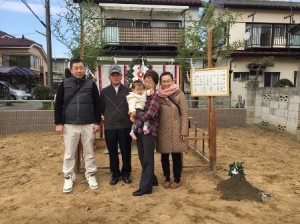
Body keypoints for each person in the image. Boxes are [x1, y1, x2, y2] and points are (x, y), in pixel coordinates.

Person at [54, 58, 101, 193]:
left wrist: (97, 122)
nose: (79, 70)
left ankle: (90, 174)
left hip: (88, 123)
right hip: (69, 124)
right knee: (69, 152)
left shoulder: (91, 84)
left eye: (81, 68)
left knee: (89, 152)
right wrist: (58, 123)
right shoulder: (64, 84)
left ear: (84, 68)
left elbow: (96, 104)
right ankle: (68, 176)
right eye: (76, 68)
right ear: (71, 70)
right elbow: (58, 104)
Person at [100, 64, 132, 185]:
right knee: (112, 152)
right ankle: (115, 174)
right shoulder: (104, 92)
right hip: (110, 127)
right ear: (109, 77)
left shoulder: (128, 91)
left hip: (125, 126)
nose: (115, 77)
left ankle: (126, 173)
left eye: (117, 74)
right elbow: (102, 108)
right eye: (113, 75)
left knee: (126, 151)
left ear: (121, 76)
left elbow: (132, 107)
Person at [157, 71, 189, 189]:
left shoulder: (179, 94)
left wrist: (184, 131)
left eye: (168, 81)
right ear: (160, 83)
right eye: (163, 81)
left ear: (172, 81)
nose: (166, 83)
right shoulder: (158, 95)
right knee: (164, 155)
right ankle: (166, 177)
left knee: (176, 155)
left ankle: (177, 178)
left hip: (177, 129)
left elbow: (184, 114)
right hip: (163, 129)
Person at [132, 70, 160, 196]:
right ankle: (152, 179)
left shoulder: (155, 96)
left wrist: (137, 113)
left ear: (155, 83)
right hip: (139, 130)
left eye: (150, 81)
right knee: (142, 157)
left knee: (147, 158)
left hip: (149, 131)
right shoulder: (143, 95)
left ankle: (145, 187)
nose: (147, 83)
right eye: (146, 80)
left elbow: (149, 115)